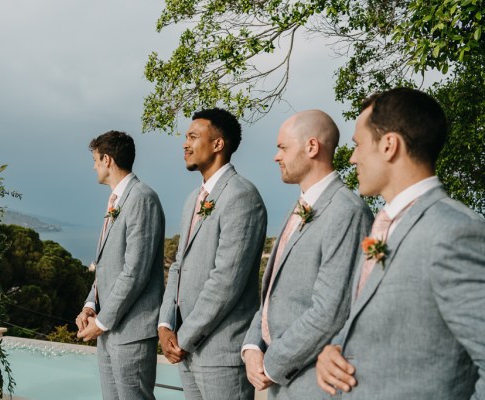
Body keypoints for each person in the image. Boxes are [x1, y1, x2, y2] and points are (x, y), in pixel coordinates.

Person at [315, 88, 485, 399]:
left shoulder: (453, 233)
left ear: (389, 145)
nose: (352, 158)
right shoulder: (387, 226)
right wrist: (335, 348)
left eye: (358, 145)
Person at [241, 110, 373, 399]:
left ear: (312, 147)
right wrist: (252, 347)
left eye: (283, 147)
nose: (277, 156)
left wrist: (272, 363)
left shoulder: (347, 211)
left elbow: (330, 311)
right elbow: (272, 290)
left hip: (314, 385)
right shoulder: (297, 207)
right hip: (281, 383)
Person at [158, 108, 267, 400]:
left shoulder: (242, 196)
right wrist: (166, 323)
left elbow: (226, 282)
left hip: (221, 353)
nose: (185, 143)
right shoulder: (193, 199)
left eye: (193, 136)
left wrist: (185, 337)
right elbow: (178, 265)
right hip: (187, 350)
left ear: (218, 144)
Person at [75, 130, 165, 400]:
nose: (93, 166)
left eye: (95, 160)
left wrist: (102, 322)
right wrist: (90, 305)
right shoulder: (116, 199)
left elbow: (134, 270)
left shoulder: (141, 198)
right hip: (110, 329)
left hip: (132, 331)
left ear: (108, 160)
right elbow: (106, 265)